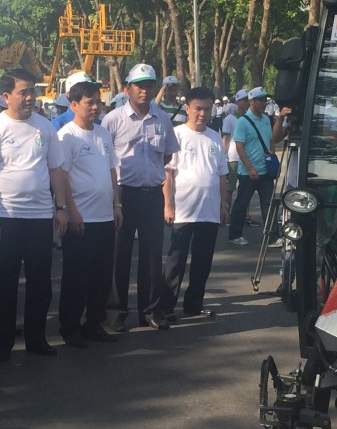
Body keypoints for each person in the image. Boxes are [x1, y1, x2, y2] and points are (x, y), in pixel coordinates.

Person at [0, 68, 70, 361]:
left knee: (41, 283)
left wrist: (61, 208)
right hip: (5, 216)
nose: (30, 97)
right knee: (3, 283)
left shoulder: (46, 127)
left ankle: (36, 339)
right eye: (23, 92)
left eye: (32, 91)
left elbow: (56, 170)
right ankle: (1, 344)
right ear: (6, 96)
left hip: (40, 217)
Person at [103, 63, 180, 332]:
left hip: (152, 195)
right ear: (127, 89)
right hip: (123, 194)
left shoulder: (163, 119)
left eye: (149, 85)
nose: (145, 90)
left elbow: (168, 155)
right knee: (118, 255)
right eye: (139, 85)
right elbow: (106, 159)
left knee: (151, 254)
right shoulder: (113, 119)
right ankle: (115, 313)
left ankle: (150, 311)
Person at [56, 75, 121, 347]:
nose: (95, 107)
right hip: (81, 219)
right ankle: (69, 327)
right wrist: (72, 211)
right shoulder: (66, 136)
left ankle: (93, 323)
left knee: (101, 276)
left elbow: (111, 170)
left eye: (98, 102)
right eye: (89, 103)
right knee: (76, 276)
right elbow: (61, 177)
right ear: (73, 104)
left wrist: (117, 205)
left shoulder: (103, 133)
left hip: (105, 216)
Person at [156, 87, 228, 322]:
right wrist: (168, 205)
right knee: (176, 260)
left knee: (203, 260)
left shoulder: (215, 137)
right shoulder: (176, 135)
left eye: (207, 109)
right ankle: (166, 307)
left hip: (209, 210)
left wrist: (224, 204)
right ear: (187, 108)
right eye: (198, 108)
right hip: (183, 209)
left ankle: (194, 304)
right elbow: (168, 173)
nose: (202, 113)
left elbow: (221, 174)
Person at [228, 86, 277, 245]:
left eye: (265, 99)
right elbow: (239, 146)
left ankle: (273, 236)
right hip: (248, 172)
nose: (264, 103)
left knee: (268, 204)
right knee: (242, 203)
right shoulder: (243, 121)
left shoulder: (266, 119)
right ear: (251, 101)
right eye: (260, 100)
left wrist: (272, 158)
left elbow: (270, 141)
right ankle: (235, 235)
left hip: (265, 171)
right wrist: (250, 168)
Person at [221, 89, 248, 204]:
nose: (246, 103)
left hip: (246, 158)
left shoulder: (249, 118)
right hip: (233, 158)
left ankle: (244, 215)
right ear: (238, 102)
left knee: (246, 189)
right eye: (244, 100)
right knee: (230, 188)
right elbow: (225, 139)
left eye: (248, 100)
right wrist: (224, 157)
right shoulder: (229, 119)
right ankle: (226, 211)